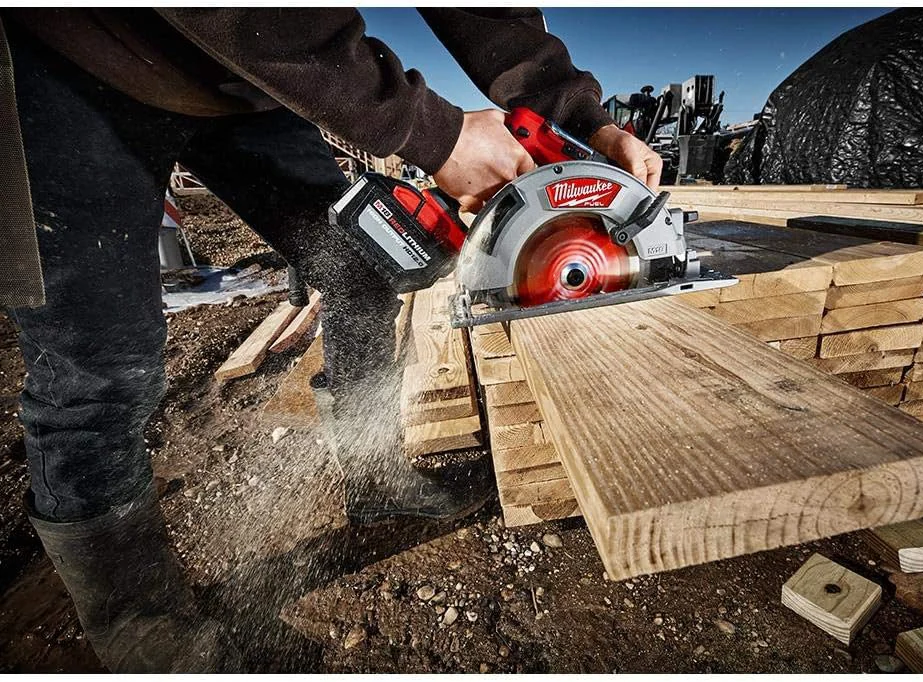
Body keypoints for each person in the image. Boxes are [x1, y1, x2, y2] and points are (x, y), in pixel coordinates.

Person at [0, 8, 662, 672]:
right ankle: (144, 634)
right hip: (68, 62)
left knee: (365, 268)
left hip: (239, 84)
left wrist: (582, 120)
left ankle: (373, 483)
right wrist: (433, 131)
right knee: (99, 370)